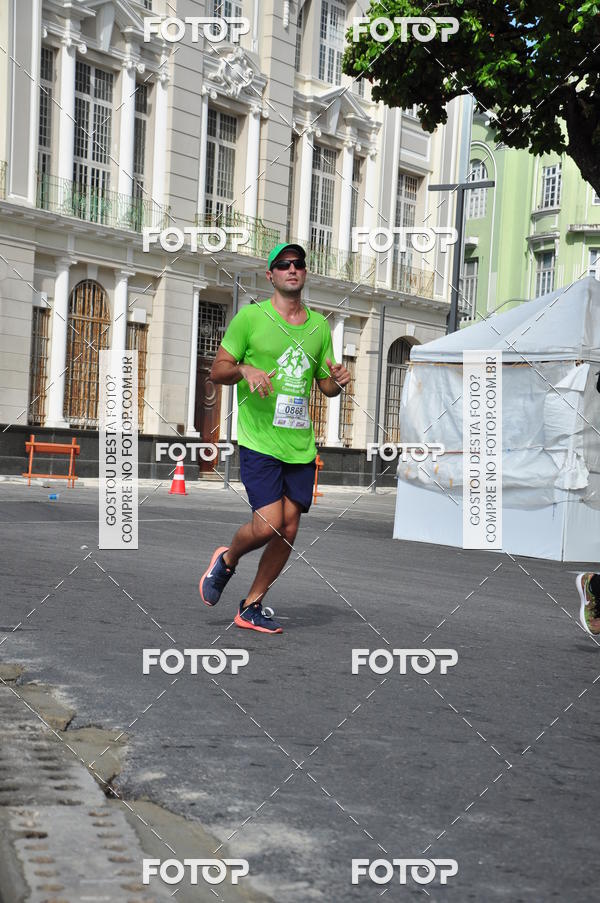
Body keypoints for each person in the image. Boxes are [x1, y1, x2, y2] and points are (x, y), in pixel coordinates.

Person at [199, 242, 351, 634]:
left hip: (299, 444)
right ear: (271, 275)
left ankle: (251, 605)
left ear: (304, 273)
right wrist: (245, 369)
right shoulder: (251, 318)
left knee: (290, 529)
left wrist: (337, 383)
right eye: (283, 265)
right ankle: (228, 559)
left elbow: (324, 386)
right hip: (259, 440)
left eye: (298, 264)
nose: (291, 269)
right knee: (268, 525)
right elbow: (217, 371)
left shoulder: (319, 327)